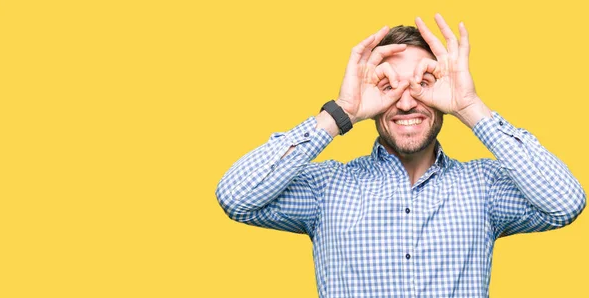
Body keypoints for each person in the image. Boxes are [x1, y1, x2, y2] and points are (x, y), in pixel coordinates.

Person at [215, 14, 586, 297]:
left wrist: (470, 106)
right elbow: (236, 196)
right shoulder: (326, 187)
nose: (406, 101)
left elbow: (565, 203)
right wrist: (342, 111)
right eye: (388, 86)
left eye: (424, 84)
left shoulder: (484, 187)